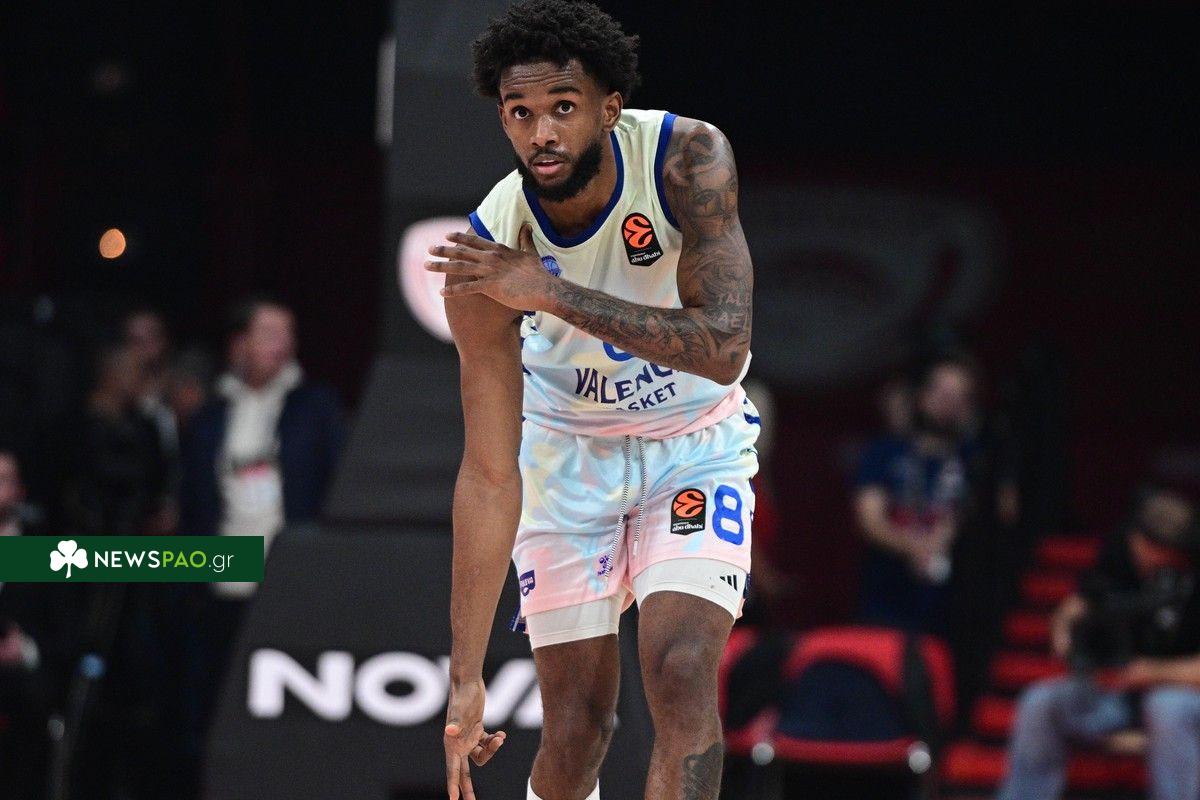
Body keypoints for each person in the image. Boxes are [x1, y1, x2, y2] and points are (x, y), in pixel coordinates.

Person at [424, 3, 757, 798]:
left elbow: (724, 348)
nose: (542, 132)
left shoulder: (687, 158)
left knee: (682, 668)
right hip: (567, 457)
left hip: (692, 444)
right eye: (521, 112)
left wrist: (550, 293)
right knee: (577, 728)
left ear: (609, 109)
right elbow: (488, 475)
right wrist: (465, 676)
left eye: (563, 107)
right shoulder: (487, 252)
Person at [177, 296, 344, 787]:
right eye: (269, 333)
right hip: (223, 576)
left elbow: (334, 487)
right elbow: (194, 501)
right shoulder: (211, 415)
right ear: (239, 345)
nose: (282, 344)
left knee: (285, 708)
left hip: (290, 577)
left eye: (288, 333)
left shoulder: (315, 407)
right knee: (218, 699)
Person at [998, 487, 1200, 800]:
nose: (1151, 556)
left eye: (1162, 550)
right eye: (1145, 545)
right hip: (1117, 693)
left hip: (1181, 696)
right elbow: (1082, 605)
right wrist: (1067, 631)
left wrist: (1148, 673)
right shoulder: (1120, 553)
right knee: (1040, 702)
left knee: (1165, 707)